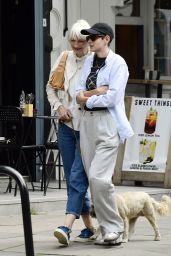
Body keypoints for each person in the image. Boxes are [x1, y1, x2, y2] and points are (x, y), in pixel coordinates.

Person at [76, 23, 134, 245]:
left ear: (106, 39)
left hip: (108, 123)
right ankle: (105, 228)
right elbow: (76, 92)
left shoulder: (118, 63)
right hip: (87, 124)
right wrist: (94, 93)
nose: (89, 41)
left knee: (98, 177)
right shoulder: (89, 61)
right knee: (95, 180)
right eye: (88, 38)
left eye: (94, 37)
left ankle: (114, 228)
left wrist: (86, 98)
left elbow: (112, 97)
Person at [46, 19, 96, 246]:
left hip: (88, 128)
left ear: (89, 41)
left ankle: (66, 226)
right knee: (72, 177)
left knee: (77, 177)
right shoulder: (64, 57)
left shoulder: (97, 60)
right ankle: (89, 228)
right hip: (67, 128)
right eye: (73, 41)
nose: (76, 45)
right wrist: (59, 107)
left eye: (81, 41)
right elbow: (50, 88)